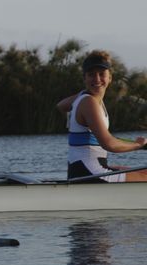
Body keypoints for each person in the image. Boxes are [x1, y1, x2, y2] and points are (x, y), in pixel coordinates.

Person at [57, 50, 147, 182]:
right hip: (89, 173)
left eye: (101, 74)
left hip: (84, 170)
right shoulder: (89, 102)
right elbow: (109, 144)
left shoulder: (85, 97)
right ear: (85, 78)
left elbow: (61, 105)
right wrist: (138, 145)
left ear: (110, 77)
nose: (97, 79)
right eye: (91, 75)